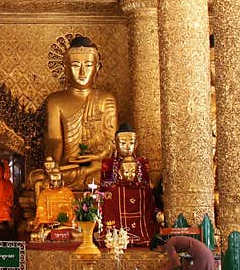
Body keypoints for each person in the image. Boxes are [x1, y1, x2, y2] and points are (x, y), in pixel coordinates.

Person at [43, 35, 118, 190]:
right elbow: (55, 140)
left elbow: (112, 142)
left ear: (97, 67)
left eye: (89, 65)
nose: (82, 72)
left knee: (112, 173)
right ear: (65, 67)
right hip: (68, 168)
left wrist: (97, 157)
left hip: (97, 166)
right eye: (76, 65)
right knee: (38, 179)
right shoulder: (55, 101)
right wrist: (53, 165)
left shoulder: (106, 98)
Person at [99, 125, 158, 246]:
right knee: (111, 196)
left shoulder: (142, 163)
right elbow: (105, 190)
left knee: (145, 195)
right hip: (117, 201)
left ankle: (142, 233)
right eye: (122, 143)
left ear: (136, 144)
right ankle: (114, 235)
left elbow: (145, 186)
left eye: (131, 143)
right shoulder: (109, 163)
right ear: (114, 144)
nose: (127, 147)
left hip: (138, 200)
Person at [150, 234, 220, 270]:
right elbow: (172, 262)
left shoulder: (168, 244)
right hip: (206, 253)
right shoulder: (170, 242)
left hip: (202, 256)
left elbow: (176, 263)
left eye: (155, 250)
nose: (158, 252)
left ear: (158, 246)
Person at [30, 167, 79, 241]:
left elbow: (73, 212)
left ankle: (56, 231)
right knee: (38, 235)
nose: (56, 183)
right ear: (49, 181)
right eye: (53, 181)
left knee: (78, 233)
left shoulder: (68, 193)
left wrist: (68, 220)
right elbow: (41, 215)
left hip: (66, 225)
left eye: (58, 181)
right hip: (49, 225)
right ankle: (51, 232)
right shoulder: (44, 194)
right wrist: (48, 222)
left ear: (62, 181)